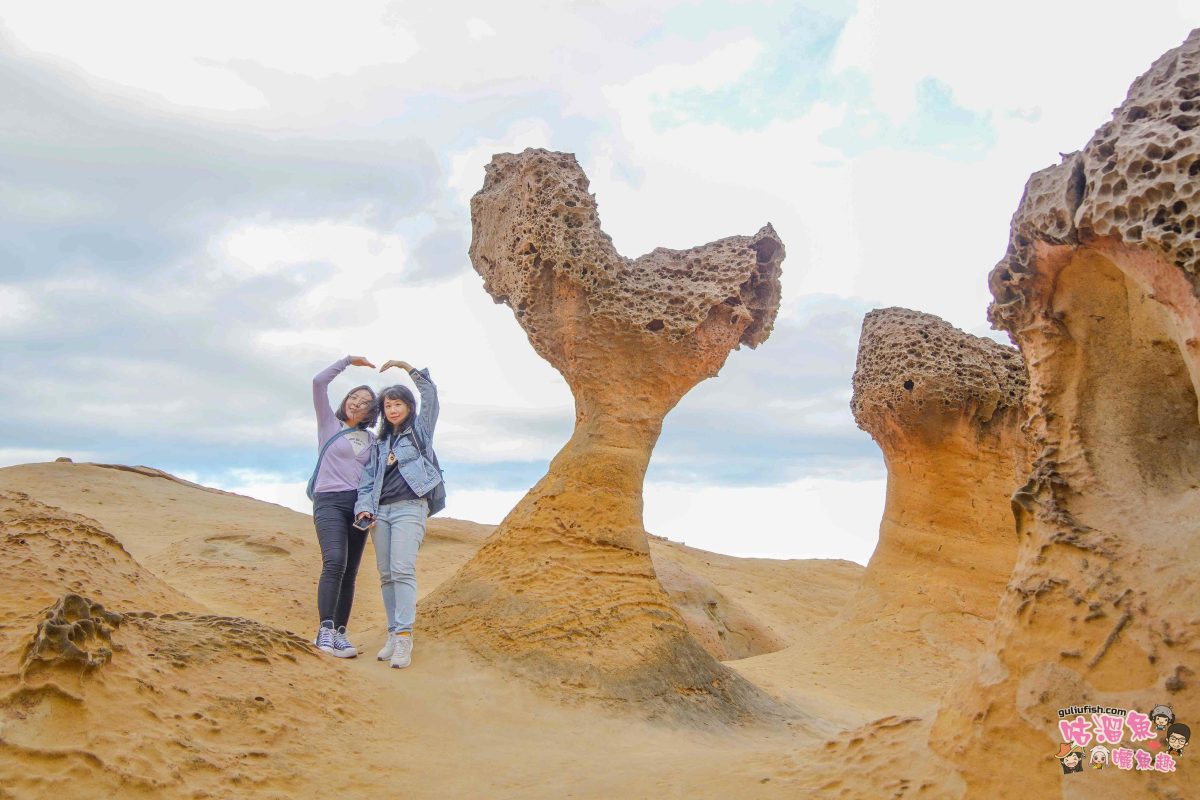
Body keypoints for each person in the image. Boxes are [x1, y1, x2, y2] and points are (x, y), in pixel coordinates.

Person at [355, 359, 445, 670]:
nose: (393, 410)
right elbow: (367, 481)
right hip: (381, 512)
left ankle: (405, 636)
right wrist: (364, 507)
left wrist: (408, 368)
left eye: (398, 404)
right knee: (386, 574)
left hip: (410, 507)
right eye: (388, 405)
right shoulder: (380, 444)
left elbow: (430, 396)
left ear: (408, 406)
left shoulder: (419, 431)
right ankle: (393, 633)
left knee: (402, 569)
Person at [309, 355, 379, 658]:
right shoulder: (329, 423)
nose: (356, 403)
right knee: (335, 560)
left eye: (364, 402)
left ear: (369, 412)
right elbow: (318, 382)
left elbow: (375, 477)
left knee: (350, 571)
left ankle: (339, 633)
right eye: (354, 397)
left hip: (358, 507)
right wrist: (347, 361)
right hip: (329, 501)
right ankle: (324, 629)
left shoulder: (372, 440)